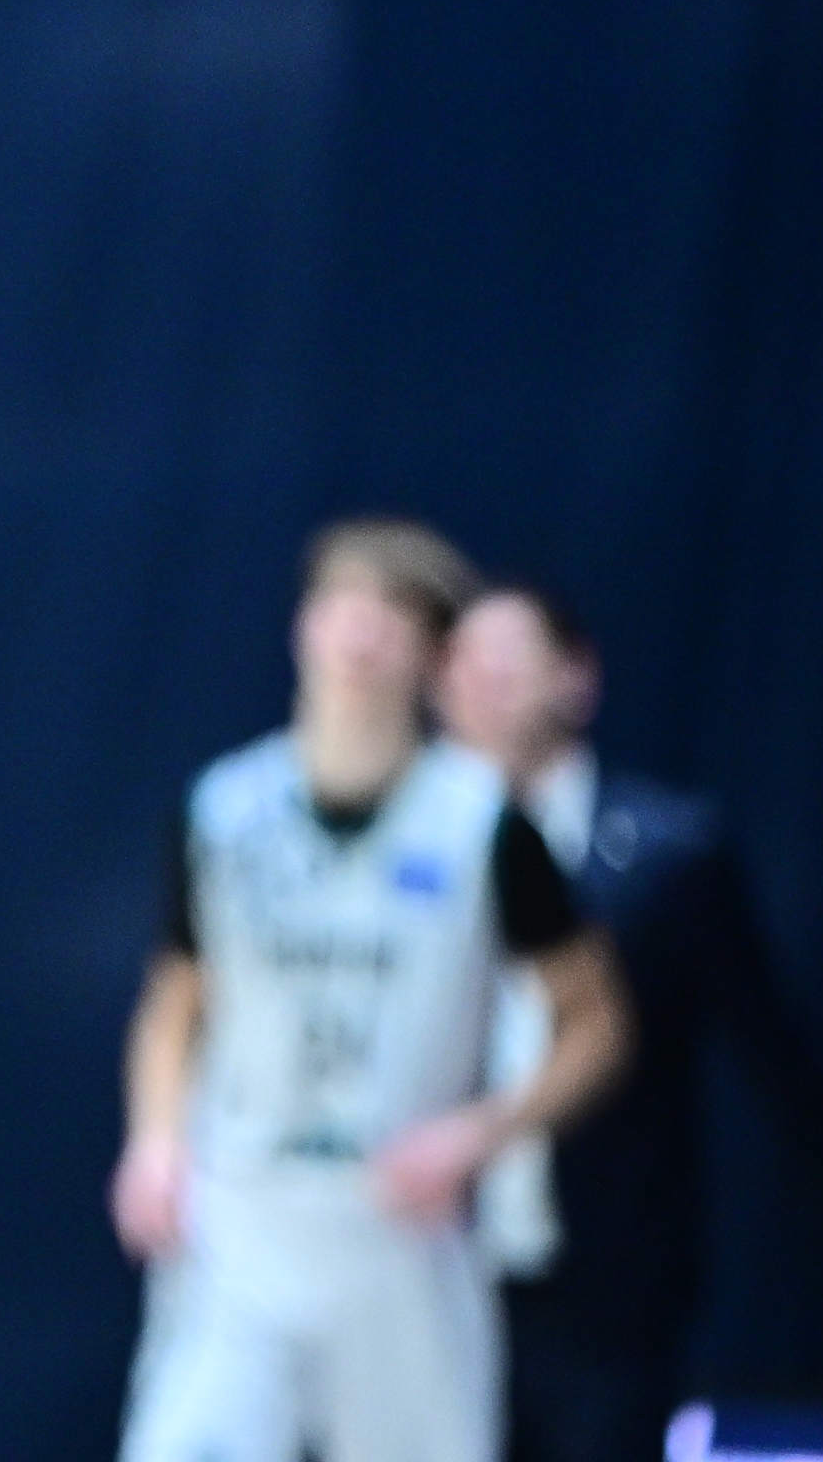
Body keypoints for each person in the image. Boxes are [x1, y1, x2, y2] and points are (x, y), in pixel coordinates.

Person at [112, 521, 635, 1462]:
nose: (360, 635)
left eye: (391, 615)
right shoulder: (224, 809)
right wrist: (154, 1141)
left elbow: (595, 1019)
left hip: (400, 1222)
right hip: (242, 1217)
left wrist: (481, 1133)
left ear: (433, 657)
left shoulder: (483, 822)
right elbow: (174, 1003)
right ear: (302, 628)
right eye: (341, 606)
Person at [436, 577, 823, 1462]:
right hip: (428, 1270)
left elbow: (774, 1051)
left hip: (606, 1285)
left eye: (508, 656)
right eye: (461, 660)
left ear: (576, 677)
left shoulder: (669, 853)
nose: (481, 679)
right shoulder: (402, 850)